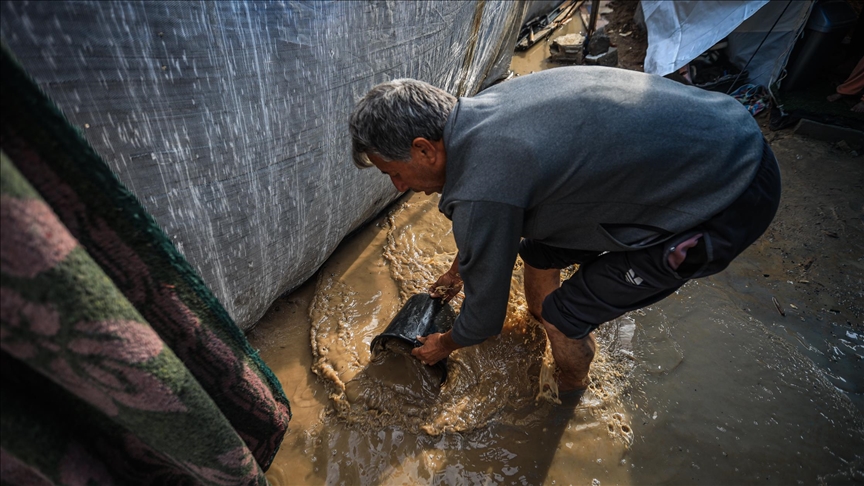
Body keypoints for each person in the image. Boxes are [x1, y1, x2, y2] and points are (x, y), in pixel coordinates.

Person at [348, 66, 781, 395]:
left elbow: (484, 321)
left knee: (565, 313)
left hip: (728, 195)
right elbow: (501, 210)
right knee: (537, 250)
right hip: (725, 131)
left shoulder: (484, 187)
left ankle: (568, 395)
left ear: (423, 149)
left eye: (394, 172)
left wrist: (443, 343)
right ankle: (546, 322)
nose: (399, 186)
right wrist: (463, 268)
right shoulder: (487, 109)